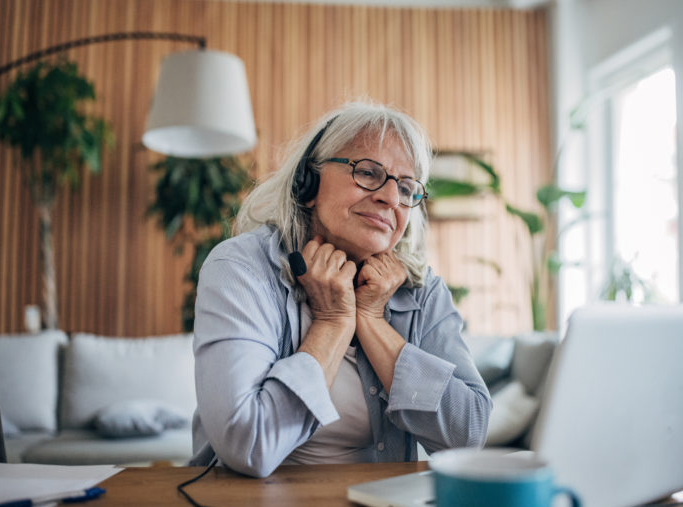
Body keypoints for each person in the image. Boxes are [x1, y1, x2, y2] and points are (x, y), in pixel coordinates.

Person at [190, 101, 491, 478]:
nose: (390, 198)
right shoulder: (241, 268)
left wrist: (370, 319)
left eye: (406, 187)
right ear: (308, 182)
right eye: (367, 172)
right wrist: (332, 323)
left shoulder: (421, 290)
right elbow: (247, 446)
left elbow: (469, 436)